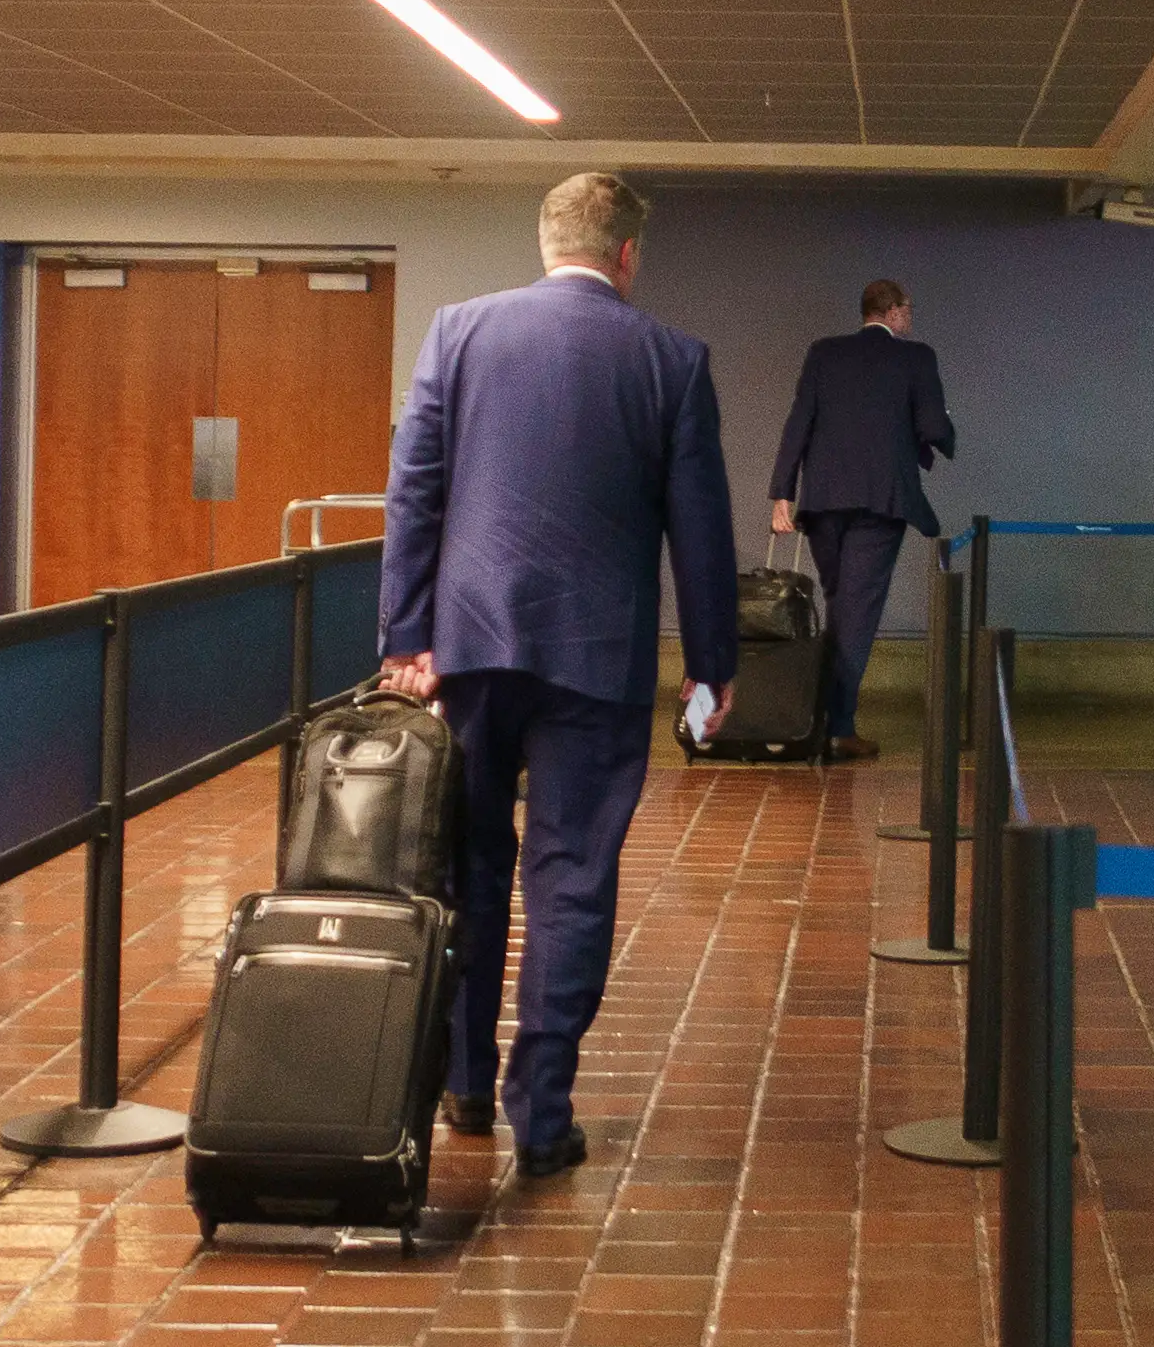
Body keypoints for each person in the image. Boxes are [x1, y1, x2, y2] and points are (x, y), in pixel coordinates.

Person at [380, 172, 739, 1177]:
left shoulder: (458, 332)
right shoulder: (672, 359)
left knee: (467, 867)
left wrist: (406, 637)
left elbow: (413, 492)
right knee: (571, 878)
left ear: (546, 243)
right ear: (628, 253)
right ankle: (541, 1115)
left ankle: (462, 1082)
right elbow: (700, 531)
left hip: (468, 649)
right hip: (596, 658)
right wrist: (710, 668)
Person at [766, 277, 953, 762]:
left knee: (841, 606)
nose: (911, 317)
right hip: (880, 501)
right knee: (857, 613)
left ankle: (816, 717)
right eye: (908, 308)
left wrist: (782, 492)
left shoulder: (824, 353)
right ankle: (837, 727)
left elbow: (799, 420)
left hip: (823, 501)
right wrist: (941, 433)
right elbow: (934, 426)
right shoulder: (917, 358)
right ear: (892, 311)